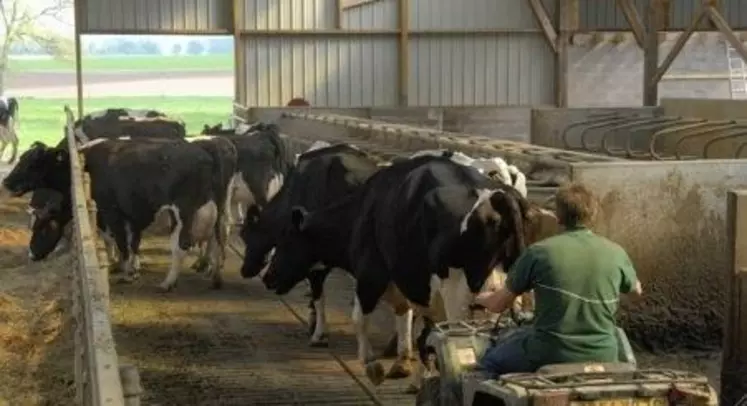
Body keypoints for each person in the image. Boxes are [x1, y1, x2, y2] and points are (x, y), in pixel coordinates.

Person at [474, 183, 643, 377]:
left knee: (489, 361)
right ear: (593, 215)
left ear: (558, 216)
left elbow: (497, 305)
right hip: (605, 353)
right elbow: (636, 292)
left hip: (550, 353)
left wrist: (480, 298)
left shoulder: (539, 253)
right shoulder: (616, 253)